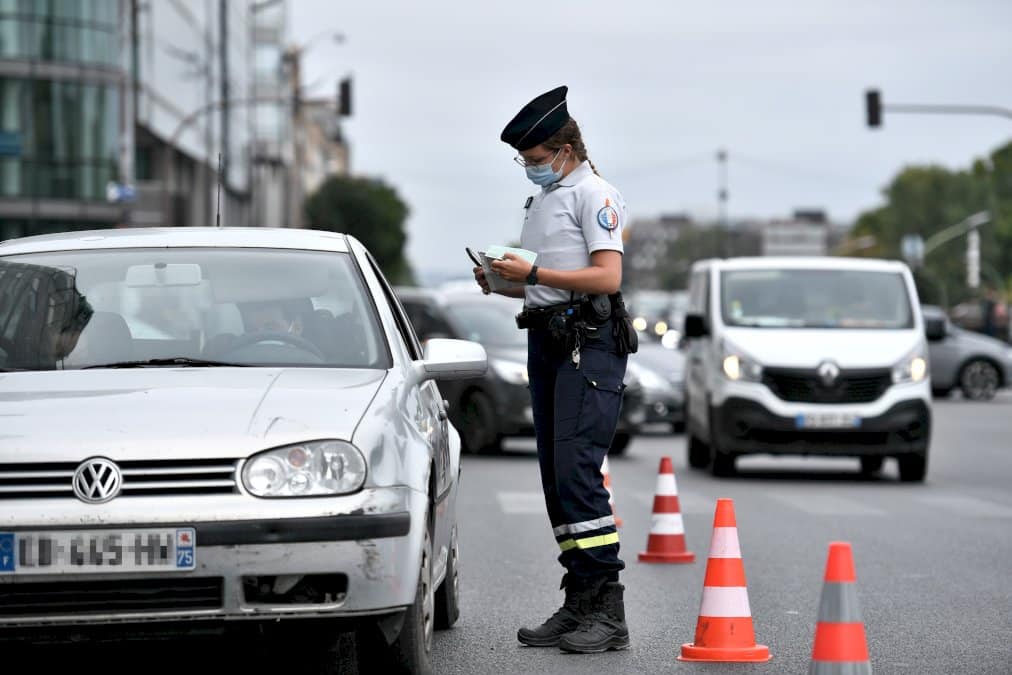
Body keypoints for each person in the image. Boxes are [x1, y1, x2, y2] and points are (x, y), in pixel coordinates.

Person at [474, 85, 633, 654]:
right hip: (549, 341)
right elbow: (546, 280)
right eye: (525, 161)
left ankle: (607, 611)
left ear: (566, 149)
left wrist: (534, 273)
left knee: (578, 473)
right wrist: (503, 283)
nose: (530, 169)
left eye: (537, 160)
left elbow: (606, 278)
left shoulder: (595, 193)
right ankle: (578, 603)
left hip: (587, 346)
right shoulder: (544, 199)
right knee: (555, 478)